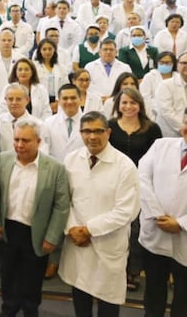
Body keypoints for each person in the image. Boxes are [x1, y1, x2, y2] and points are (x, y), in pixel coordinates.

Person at [59, 111, 140, 317]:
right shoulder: (71, 160)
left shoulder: (125, 166)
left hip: (107, 242)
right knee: (80, 296)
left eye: (98, 131)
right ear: (80, 132)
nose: (92, 136)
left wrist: (89, 230)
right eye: (86, 131)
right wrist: (72, 228)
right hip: (77, 240)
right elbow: (63, 200)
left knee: (108, 302)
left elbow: (126, 211)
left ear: (109, 132)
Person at [0, 118, 71, 317]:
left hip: (37, 232)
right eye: (16, 140)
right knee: (8, 276)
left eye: (25, 140)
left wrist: (52, 236)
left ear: (39, 141)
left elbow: (61, 206)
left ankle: (30, 310)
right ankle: (8, 308)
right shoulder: (3, 160)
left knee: (32, 278)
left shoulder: (55, 168)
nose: (19, 145)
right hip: (8, 229)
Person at [107, 87, 162, 291]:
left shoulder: (151, 128)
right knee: (116, 226)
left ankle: (133, 271)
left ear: (140, 105)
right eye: (124, 102)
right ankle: (116, 269)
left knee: (137, 228)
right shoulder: (110, 126)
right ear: (118, 105)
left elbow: (158, 159)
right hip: (114, 183)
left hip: (142, 185)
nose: (128, 106)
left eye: (133, 102)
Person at [137, 108, 187, 317]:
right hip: (155, 231)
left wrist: (181, 223)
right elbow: (142, 177)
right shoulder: (161, 145)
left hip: (184, 236)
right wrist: (158, 214)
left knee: (184, 297)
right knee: (154, 292)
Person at [154, 51, 187, 137]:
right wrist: (184, 128)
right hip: (170, 134)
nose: (186, 66)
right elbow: (167, 112)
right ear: (177, 65)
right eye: (184, 63)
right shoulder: (165, 85)